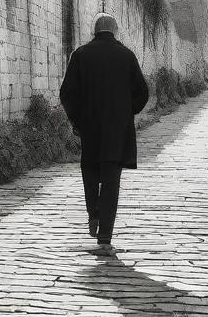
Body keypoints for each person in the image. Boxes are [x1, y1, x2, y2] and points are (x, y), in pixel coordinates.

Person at [59, 13, 150, 256]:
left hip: (90, 127)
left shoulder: (80, 55)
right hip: (117, 131)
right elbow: (142, 92)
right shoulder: (126, 56)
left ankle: (94, 214)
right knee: (111, 181)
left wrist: (78, 120)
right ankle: (105, 238)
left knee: (89, 171)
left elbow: (67, 94)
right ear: (115, 31)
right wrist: (126, 111)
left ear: (94, 30)